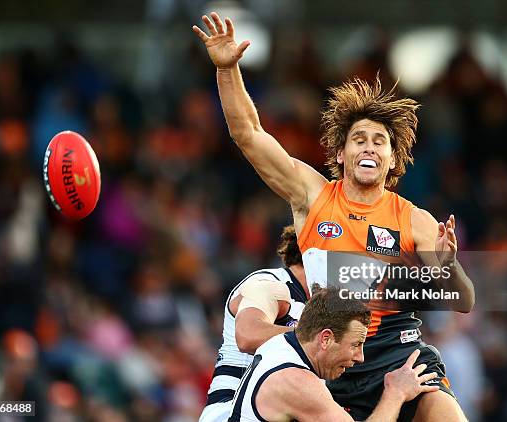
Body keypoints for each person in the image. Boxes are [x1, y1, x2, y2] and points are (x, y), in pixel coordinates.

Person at [193, 12, 474, 421]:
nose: (369, 147)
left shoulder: (416, 221)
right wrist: (227, 69)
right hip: (330, 352)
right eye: (358, 138)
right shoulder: (312, 195)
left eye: (380, 142)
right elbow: (249, 134)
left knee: (443, 412)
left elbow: (464, 301)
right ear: (340, 154)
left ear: (393, 158)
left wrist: (448, 269)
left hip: (394, 351)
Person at [228, 287, 439, 421]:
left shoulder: (283, 344)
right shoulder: (296, 381)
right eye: (356, 344)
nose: (360, 357)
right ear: (326, 338)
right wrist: (396, 393)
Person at [200, 226, 310, 422]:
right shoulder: (270, 282)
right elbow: (248, 335)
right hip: (231, 410)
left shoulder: (315, 304)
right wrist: (315, 337)